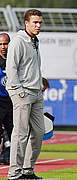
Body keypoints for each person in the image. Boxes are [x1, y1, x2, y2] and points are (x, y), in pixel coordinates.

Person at [6, 9, 49, 180]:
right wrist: (19, 91)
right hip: (22, 93)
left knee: (39, 132)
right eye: (35, 22)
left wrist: (39, 86)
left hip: (36, 93)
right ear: (26, 23)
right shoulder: (18, 42)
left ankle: (27, 170)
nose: (38, 25)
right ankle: (14, 173)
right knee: (20, 133)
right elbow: (11, 68)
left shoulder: (34, 41)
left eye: (40, 22)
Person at [0, 33, 13, 165]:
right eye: (1, 44)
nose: (3, 47)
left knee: (13, 130)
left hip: (12, 100)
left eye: (6, 43)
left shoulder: (13, 60)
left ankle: (7, 155)